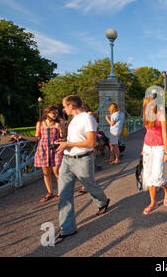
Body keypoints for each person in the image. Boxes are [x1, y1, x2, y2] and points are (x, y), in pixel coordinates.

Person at [53, 95, 110, 245]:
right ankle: (67, 229)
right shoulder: (73, 120)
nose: (63, 109)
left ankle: (103, 201)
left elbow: (91, 143)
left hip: (83, 159)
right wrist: (64, 143)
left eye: (64, 106)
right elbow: (75, 140)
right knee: (64, 194)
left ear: (71, 106)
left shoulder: (88, 119)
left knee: (91, 186)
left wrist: (68, 144)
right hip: (67, 160)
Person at [11, 105, 67, 203]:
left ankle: (61, 192)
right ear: (47, 113)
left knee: (57, 171)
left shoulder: (60, 122)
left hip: (56, 149)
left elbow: (64, 137)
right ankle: (50, 192)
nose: (55, 115)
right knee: (46, 173)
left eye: (57, 113)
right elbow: (36, 138)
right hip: (43, 149)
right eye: (53, 113)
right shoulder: (40, 123)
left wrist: (60, 129)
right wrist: (20, 136)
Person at [141, 97, 167, 215]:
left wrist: (166, 152)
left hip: (159, 147)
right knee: (148, 176)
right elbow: (147, 131)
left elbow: (164, 133)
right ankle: (153, 202)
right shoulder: (145, 115)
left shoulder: (161, 114)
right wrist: (143, 148)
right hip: (147, 147)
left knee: (157, 176)